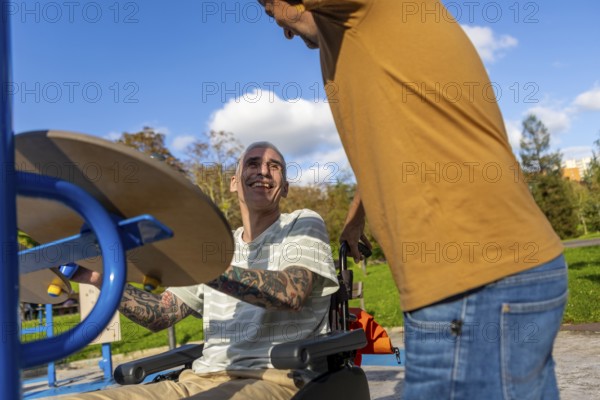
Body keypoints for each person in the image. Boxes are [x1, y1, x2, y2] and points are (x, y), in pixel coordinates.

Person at [257, 1, 567, 399]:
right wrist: (355, 218)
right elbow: (399, 144)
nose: (283, 28)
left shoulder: (360, 10)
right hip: (503, 271)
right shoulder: (365, 32)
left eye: (272, 10)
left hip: (472, 281)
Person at [64, 141, 339, 400]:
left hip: (278, 380)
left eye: (274, 166)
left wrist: (200, 264)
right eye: (253, 164)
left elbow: (290, 293)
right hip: (198, 379)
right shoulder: (216, 247)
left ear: (286, 187)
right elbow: (162, 313)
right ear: (234, 183)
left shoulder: (302, 223)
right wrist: (98, 278)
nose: (263, 171)